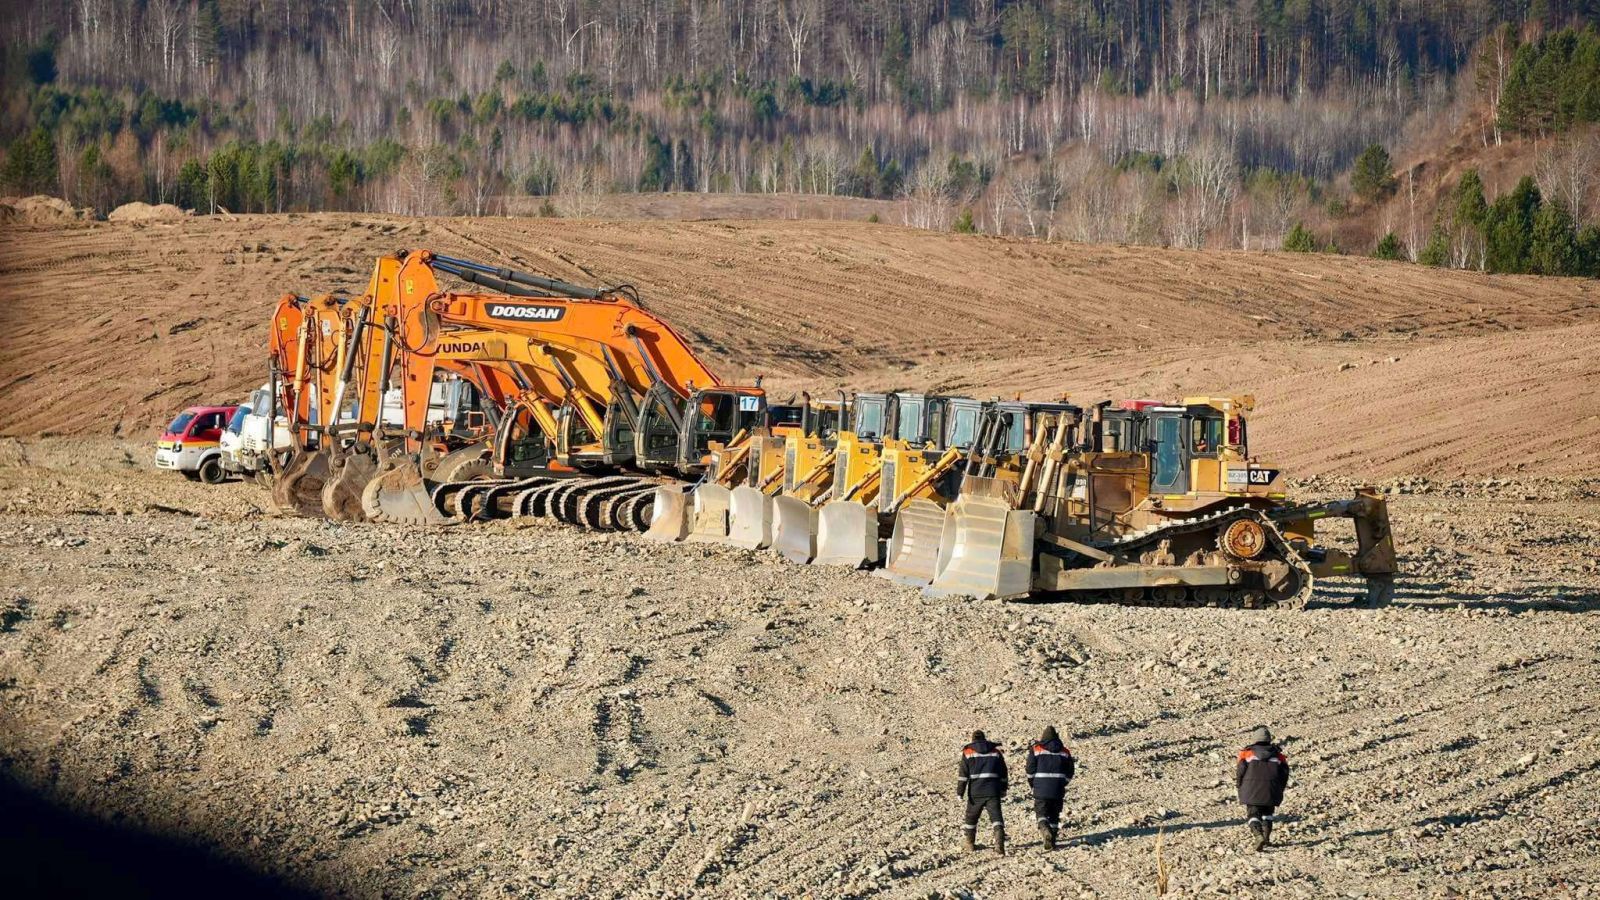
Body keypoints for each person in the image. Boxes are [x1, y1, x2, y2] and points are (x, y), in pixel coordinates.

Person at [1235, 726, 1290, 851]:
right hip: (1271, 789)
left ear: (1255, 739)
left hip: (1251, 790)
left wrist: (1240, 786)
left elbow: (1240, 772)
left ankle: (1258, 835)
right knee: (1268, 814)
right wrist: (1279, 788)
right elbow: (1284, 773)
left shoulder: (1246, 753)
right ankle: (1266, 838)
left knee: (1253, 814)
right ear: (1269, 740)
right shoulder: (1278, 755)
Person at [957, 730, 1008, 854]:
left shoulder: (968, 752)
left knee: (971, 818)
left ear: (973, 740)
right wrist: (1003, 789)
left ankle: (969, 844)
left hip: (976, 792)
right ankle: (999, 845)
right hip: (993, 790)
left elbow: (963, 775)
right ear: (985, 739)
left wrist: (960, 792)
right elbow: (1003, 773)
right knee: (996, 818)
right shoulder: (996, 752)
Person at [1025, 726, 1075, 849]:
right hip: (1057, 789)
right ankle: (1052, 841)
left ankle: (1044, 829)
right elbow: (1070, 771)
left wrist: (1033, 783)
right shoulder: (1065, 751)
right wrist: (1063, 783)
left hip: (1041, 788)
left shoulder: (1036, 749)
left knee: (1041, 812)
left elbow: (1030, 769)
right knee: (1054, 814)